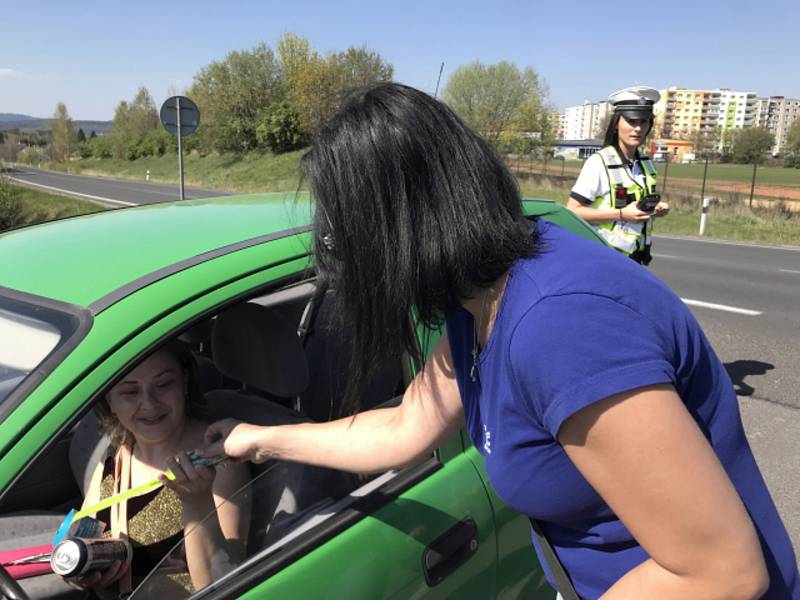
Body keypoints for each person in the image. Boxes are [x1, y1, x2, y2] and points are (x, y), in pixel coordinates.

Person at [203, 83, 798, 599]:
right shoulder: (480, 298)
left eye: (343, 238)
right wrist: (262, 439)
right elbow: (408, 424)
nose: (344, 259)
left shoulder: (561, 327)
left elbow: (721, 574)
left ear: (400, 229)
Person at [67, 341, 251, 596]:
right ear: (109, 398)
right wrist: (79, 570)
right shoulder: (119, 451)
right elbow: (85, 529)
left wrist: (197, 502)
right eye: (130, 392)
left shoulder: (221, 459)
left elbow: (223, 585)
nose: (149, 403)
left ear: (184, 382)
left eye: (163, 385)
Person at [566, 86, 669, 265]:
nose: (637, 128)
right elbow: (572, 211)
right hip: (602, 259)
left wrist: (653, 209)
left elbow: (634, 207)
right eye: (631, 121)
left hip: (636, 259)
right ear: (616, 123)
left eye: (644, 122)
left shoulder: (646, 164)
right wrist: (621, 214)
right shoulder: (598, 163)